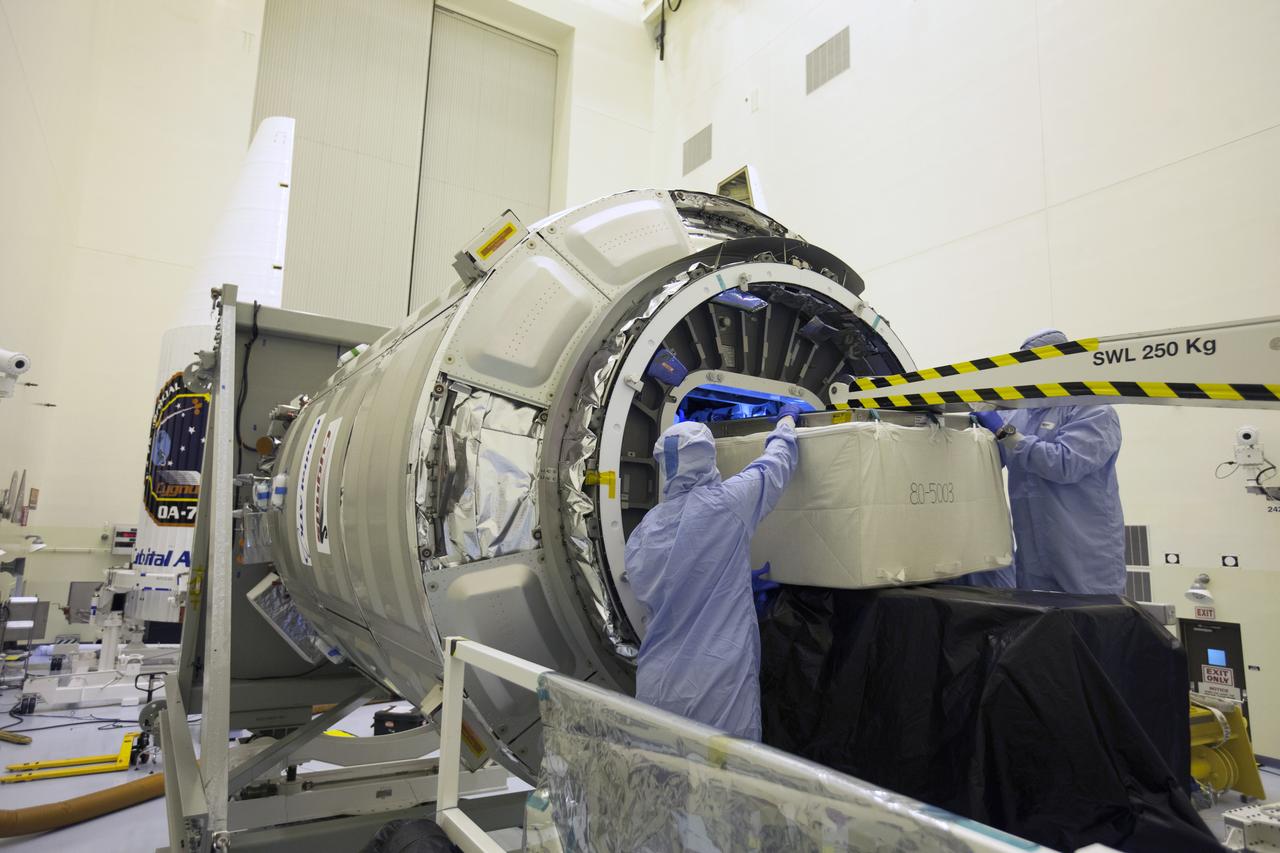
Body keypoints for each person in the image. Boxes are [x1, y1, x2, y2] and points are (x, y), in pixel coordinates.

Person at [624, 404, 801, 741]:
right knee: (725, 783)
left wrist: (728, 575)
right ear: (708, 457)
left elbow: (664, 588)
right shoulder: (726, 505)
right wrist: (787, 420)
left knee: (663, 780)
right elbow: (775, 465)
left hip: (656, 684)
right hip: (714, 685)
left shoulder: (646, 530)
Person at [972, 329, 1126, 595]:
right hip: (1034, 555)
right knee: (1041, 629)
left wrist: (1004, 433)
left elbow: (1065, 464)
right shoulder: (1022, 414)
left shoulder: (1094, 410)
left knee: (1090, 628)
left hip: (1084, 558)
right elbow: (994, 462)